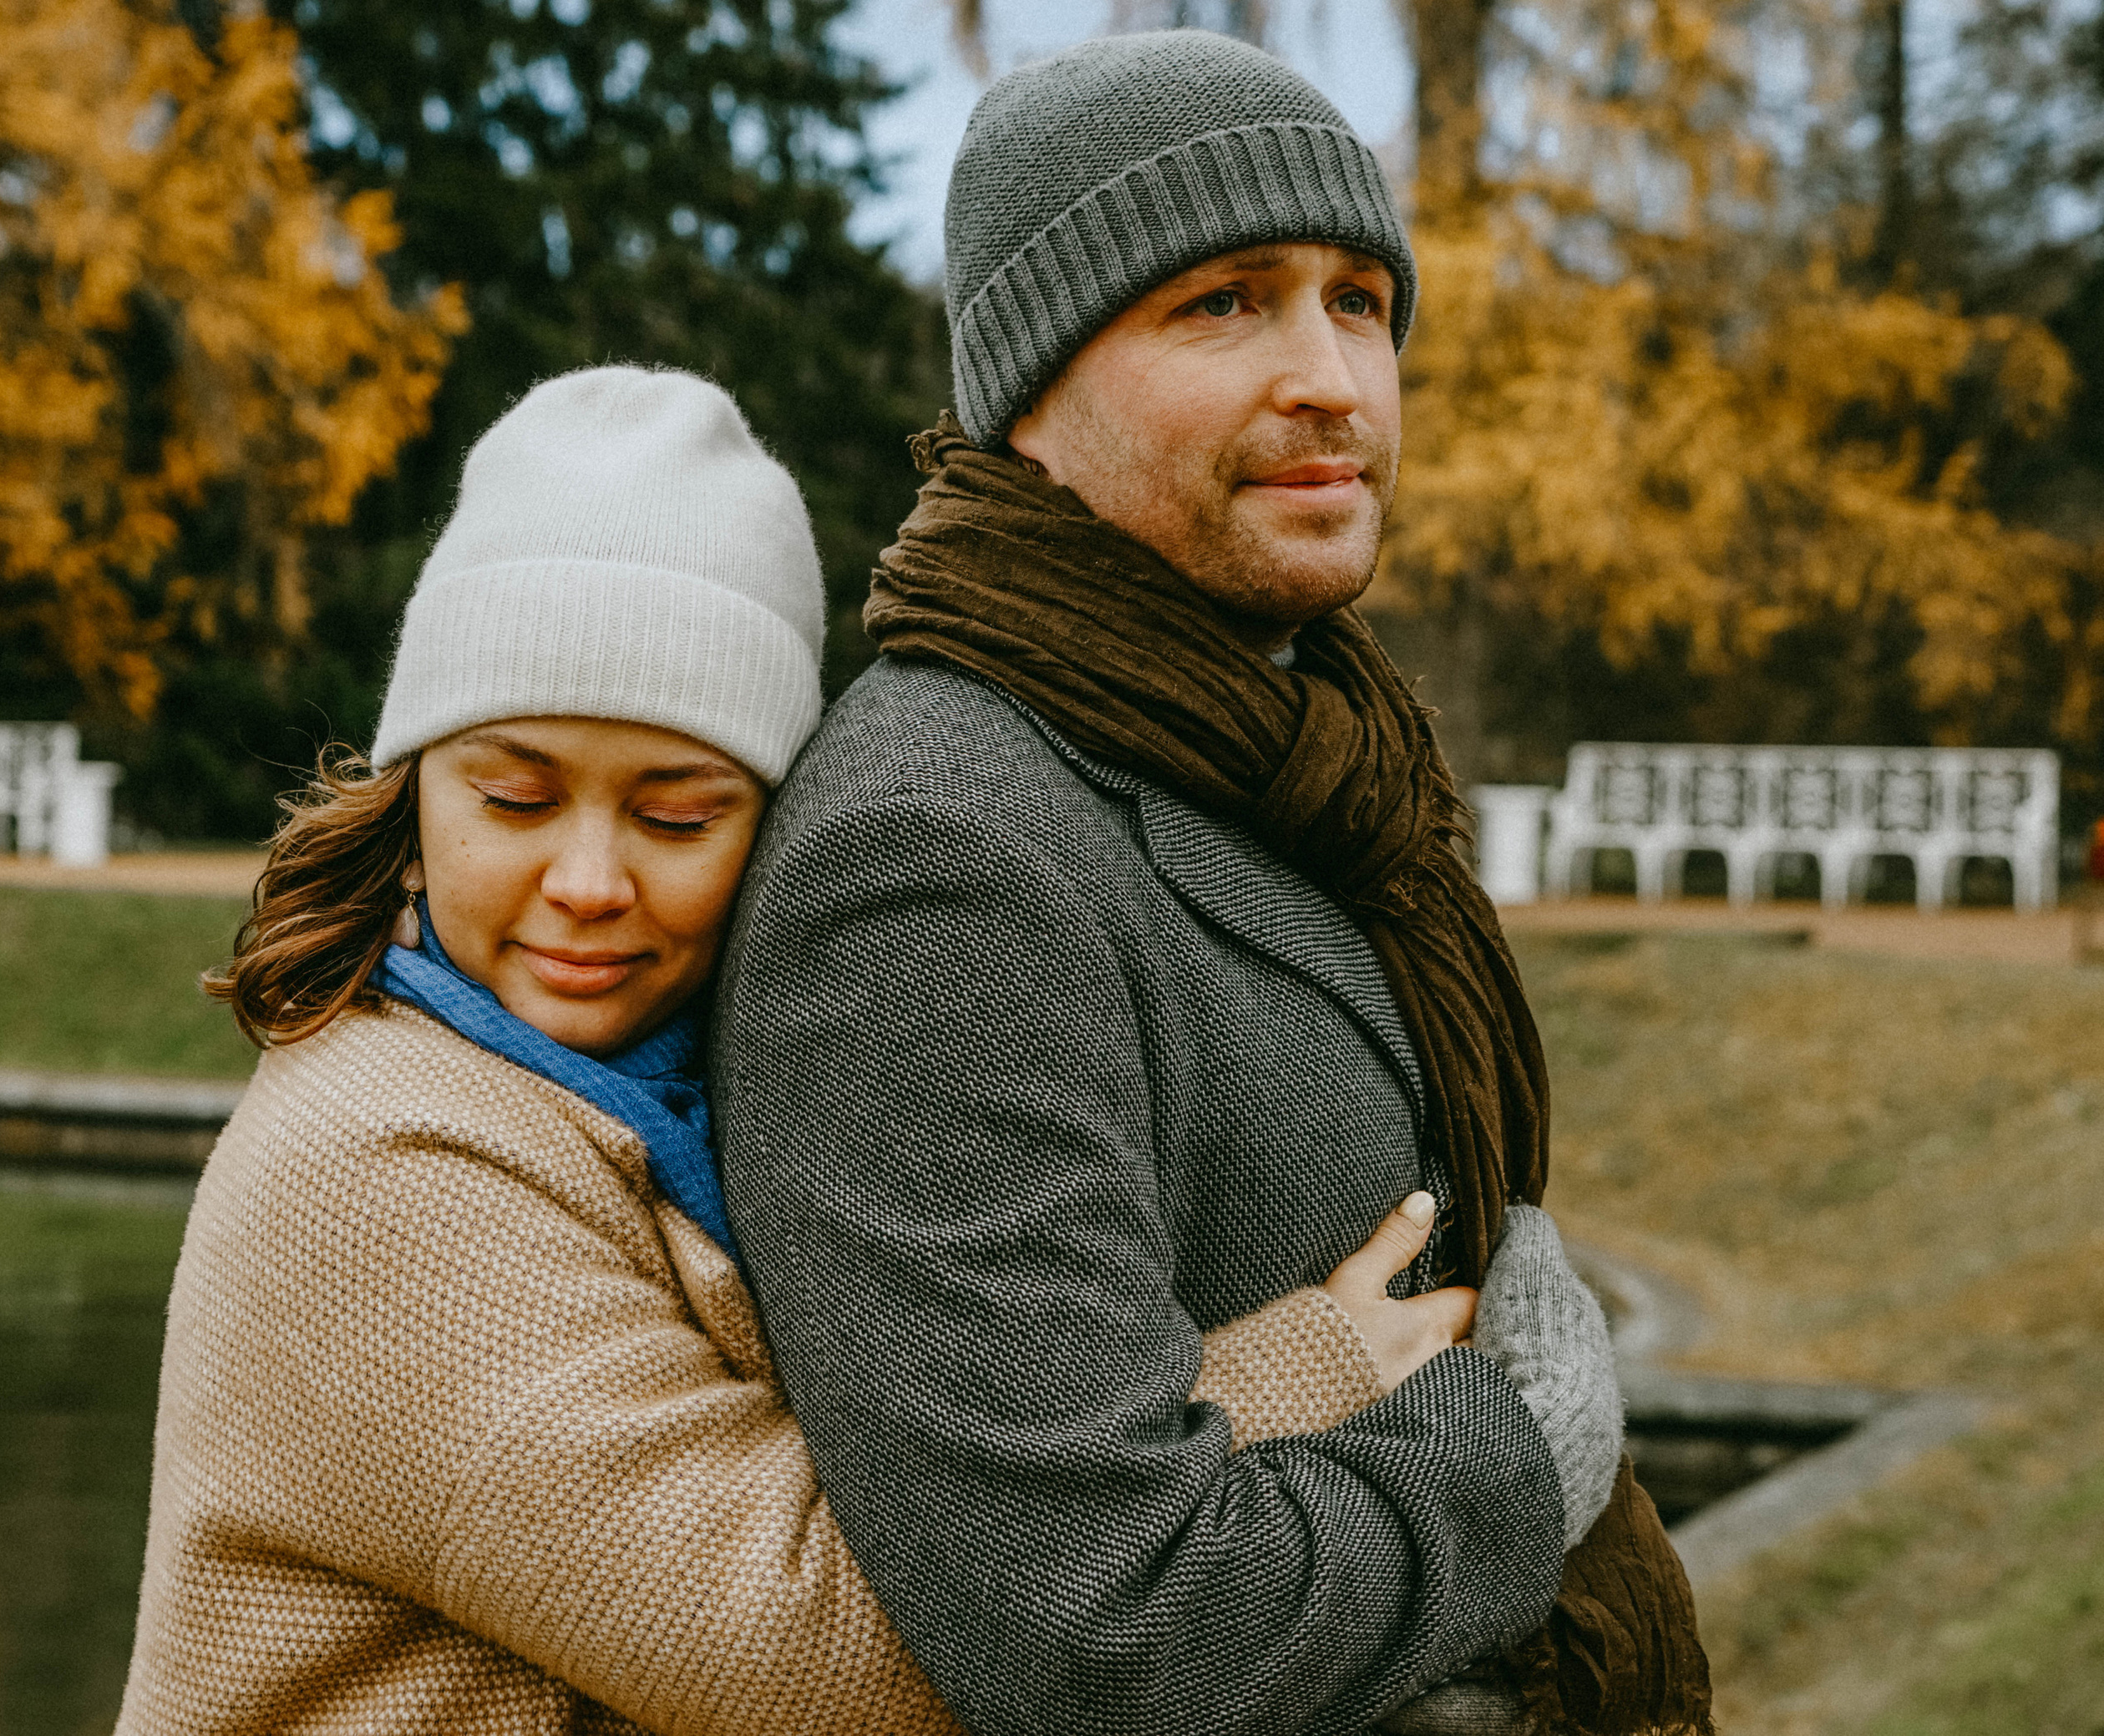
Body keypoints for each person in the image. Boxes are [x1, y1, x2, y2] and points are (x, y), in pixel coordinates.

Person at [117, 366, 1483, 1734]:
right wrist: (1309, 1371)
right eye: (517, 797)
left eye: (677, 816)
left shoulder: (676, 1094)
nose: (587, 878)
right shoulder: (380, 1176)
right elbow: (854, 1658)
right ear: (413, 798)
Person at [712, 30, 1710, 1736]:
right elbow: (1099, 1625)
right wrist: (1511, 1459)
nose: (1330, 375)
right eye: (1224, 303)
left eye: (1357, 301)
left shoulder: (1307, 767)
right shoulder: (933, 857)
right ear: (1032, 388)